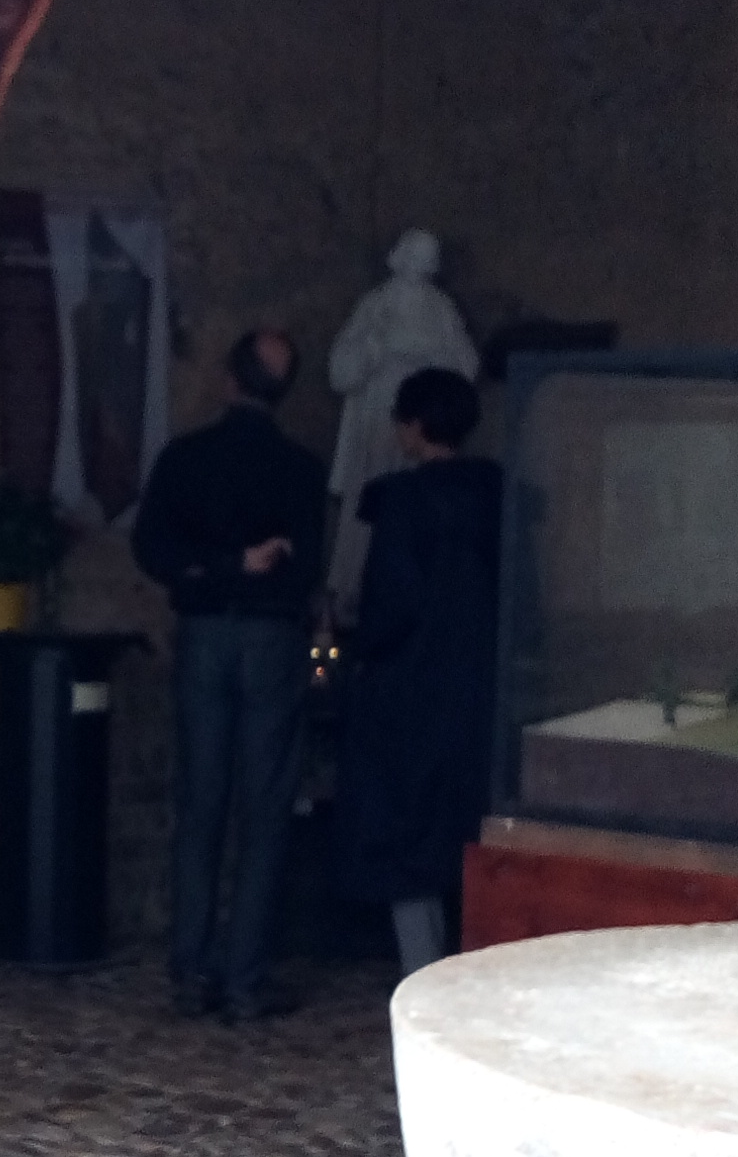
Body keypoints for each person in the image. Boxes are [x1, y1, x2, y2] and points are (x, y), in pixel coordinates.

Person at [132, 327, 330, 1021]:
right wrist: (256, 570)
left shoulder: (185, 459)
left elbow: (152, 549)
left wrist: (217, 568)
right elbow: (309, 569)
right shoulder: (301, 468)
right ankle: (245, 977)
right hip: (273, 639)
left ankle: (191, 968)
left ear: (228, 379)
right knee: (266, 805)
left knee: (201, 802)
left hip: (204, 634)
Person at [339, 364, 503, 981]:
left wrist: (360, 646)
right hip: (482, 691)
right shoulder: (499, 499)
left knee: (407, 840)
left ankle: (423, 976)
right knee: (473, 837)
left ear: (412, 426)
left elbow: (389, 609)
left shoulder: (403, 505)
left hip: (412, 694)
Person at [327, 227, 480, 608]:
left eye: (425, 261)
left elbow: (467, 367)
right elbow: (342, 370)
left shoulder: (441, 309)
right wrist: (376, 349)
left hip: (427, 419)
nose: (416, 268)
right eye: (413, 257)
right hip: (379, 413)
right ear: (399, 258)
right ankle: (354, 590)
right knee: (371, 501)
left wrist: (431, 357)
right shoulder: (375, 305)